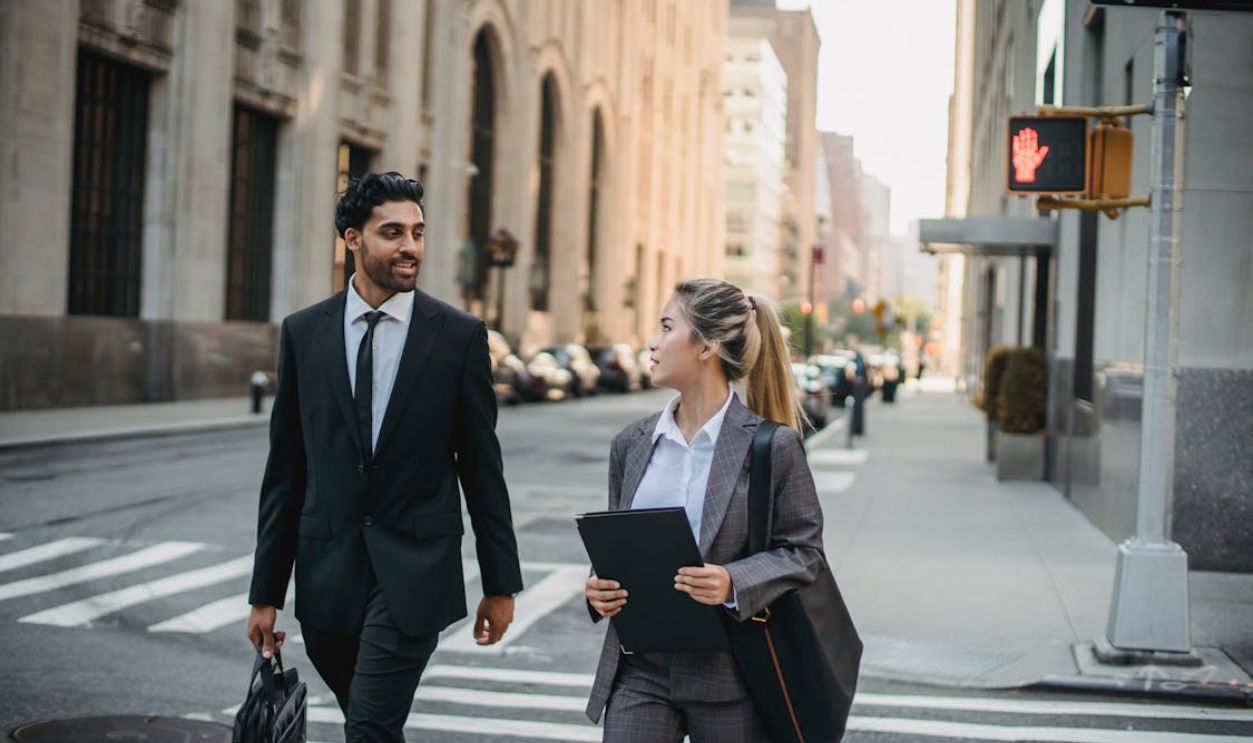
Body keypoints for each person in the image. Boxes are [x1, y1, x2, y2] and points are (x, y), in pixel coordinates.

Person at [245, 172, 522, 742]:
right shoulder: (304, 333)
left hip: (416, 573)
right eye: (392, 232)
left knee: (368, 727)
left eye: (418, 233)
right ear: (352, 240)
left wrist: (500, 584)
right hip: (328, 577)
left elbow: (481, 468)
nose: (410, 247)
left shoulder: (457, 335)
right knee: (372, 727)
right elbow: (286, 472)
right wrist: (266, 595)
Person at [584, 278, 825, 742]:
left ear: (707, 346)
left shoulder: (772, 447)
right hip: (641, 671)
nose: (652, 342)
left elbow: (804, 552)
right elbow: (621, 546)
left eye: (666, 327)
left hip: (732, 673)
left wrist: (734, 581)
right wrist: (599, 587)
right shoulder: (631, 445)